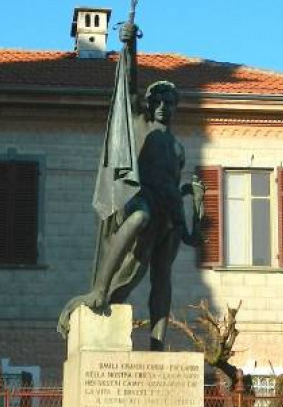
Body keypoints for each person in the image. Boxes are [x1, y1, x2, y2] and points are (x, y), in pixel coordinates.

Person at [57, 20, 203, 349]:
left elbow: (175, 186)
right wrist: (130, 46)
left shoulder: (178, 147)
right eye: (159, 100)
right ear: (150, 105)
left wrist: (192, 200)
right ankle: (99, 288)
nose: (164, 105)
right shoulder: (139, 121)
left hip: (170, 212)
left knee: (162, 277)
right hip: (139, 198)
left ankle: (157, 342)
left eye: (170, 101)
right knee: (139, 218)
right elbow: (130, 84)